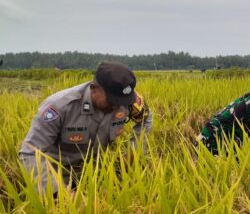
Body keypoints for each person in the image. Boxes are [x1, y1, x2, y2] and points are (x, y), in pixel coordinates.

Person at [19, 61, 152, 194]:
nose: (118, 106)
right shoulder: (59, 107)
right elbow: (29, 152)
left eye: (122, 101)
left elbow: (146, 119)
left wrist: (133, 150)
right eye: (113, 100)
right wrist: (60, 193)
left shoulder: (126, 100)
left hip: (95, 174)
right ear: (94, 88)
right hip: (56, 176)